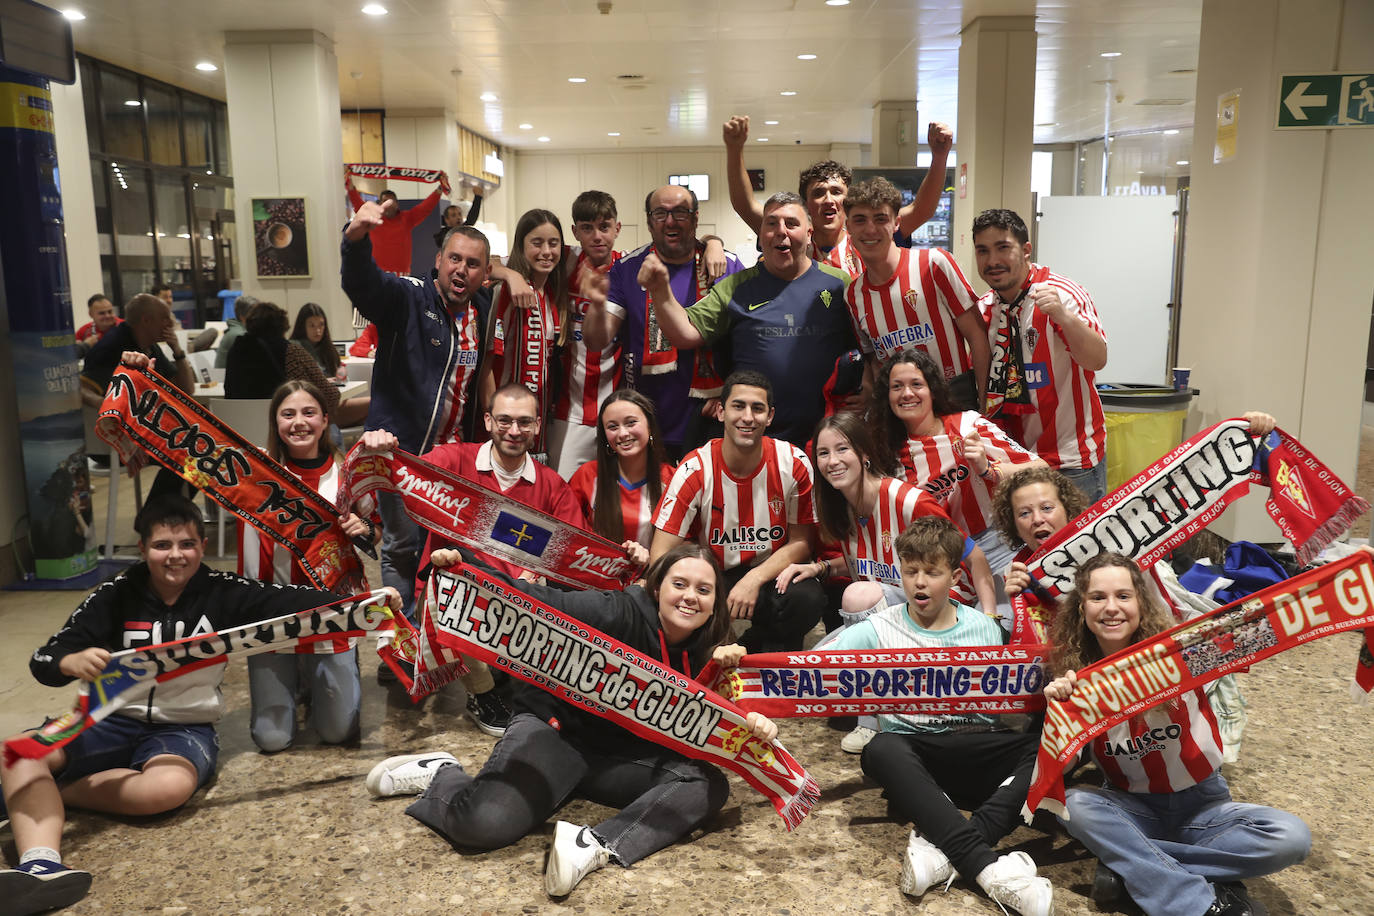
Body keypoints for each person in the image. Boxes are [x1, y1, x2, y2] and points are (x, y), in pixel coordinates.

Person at [0, 496, 396, 915]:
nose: (175, 556)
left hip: (183, 729)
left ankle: (58, 794)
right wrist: (70, 661)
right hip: (105, 719)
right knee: (16, 754)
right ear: (142, 548)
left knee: (166, 790)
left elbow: (294, 604)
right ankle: (40, 864)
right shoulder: (115, 594)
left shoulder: (223, 591)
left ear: (202, 547)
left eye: (186, 544)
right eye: (162, 545)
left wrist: (366, 605)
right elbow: (45, 658)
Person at [365, 542, 776, 900]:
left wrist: (755, 724)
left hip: (617, 758)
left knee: (707, 785)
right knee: (482, 827)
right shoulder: (620, 610)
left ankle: (594, 843)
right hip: (557, 731)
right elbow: (538, 601)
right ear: (657, 587)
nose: (690, 597)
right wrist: (467, 567)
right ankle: (442, 776)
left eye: (704, 590)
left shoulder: (715, 653)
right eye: (679, 584)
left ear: (715, 602)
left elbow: (727, 723)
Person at [785, 515, 1052, 915]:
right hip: (916, 758)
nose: (920, 582)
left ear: (953, 576)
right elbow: (806, 671)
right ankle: (987, 867)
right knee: (880, 749)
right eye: (911, 572)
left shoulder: (984, 628)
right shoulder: (875, 629)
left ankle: (949, 855)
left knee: (1055, 744)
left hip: (976, 747)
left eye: (932, 572)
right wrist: (744, 665)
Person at [1044, 553, 1310, 916]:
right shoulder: (1075, 680)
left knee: (1292, 838)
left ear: (1141, 601)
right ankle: (1196, 902)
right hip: (1134, 808)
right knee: (1073, 806)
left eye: (1123, 596)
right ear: (1081, 608)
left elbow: (1260, 629)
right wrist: (1059, 713)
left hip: (1204, 807)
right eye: (1097, 597)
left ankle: (1135, 866)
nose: (1111, 608)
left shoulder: (1187, 651)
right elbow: (1057, 772)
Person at [359, 383, 585, 735]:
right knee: (460, 588)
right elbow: (397, 478)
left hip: (522, 601)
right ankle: (484, 693)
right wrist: (381, 451)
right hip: (456, 598)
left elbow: (572, 557)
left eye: (525, 422)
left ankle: (509, 681)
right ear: (488, 421)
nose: (514, 431)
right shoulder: (452, 460)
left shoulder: (552, 485)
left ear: (538, 426)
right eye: (505, 420)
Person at [780, 411, 997, 753]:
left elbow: (975, 557)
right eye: (823, 453)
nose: (833, 461)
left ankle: (874, 719)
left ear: (864, 454)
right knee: (818, 666)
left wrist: (988, 620)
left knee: (857, 597)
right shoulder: (844, 507)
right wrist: (820, 568)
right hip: (897, 612)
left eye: (842, 449)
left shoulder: (907, 500)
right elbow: (875, 566)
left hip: (945, 614)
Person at [339, 202, 494, 634]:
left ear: (485, 273)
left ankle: (434, 637)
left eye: (473, 264)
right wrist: (355, 240)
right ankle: (403, 646)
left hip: (453, 461)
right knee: (402, 546)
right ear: (439, 262)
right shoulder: (408, 298)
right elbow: (364, 284)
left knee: (441, 549)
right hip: (402, 453)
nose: (462, 270)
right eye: (455, 259)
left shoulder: (482, 310)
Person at [643, 190, 858, 448]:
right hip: (753, 439)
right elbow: (685, 333)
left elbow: (866, 345)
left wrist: (867, 387)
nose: (781, 231)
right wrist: (661, 291)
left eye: (791, 223)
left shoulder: (839, 283)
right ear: (761, 235)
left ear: (809, 233)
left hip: (824, 438)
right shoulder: (737, 286)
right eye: (772, 223)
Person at [237, 381, 381, 752]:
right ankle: (300, 678)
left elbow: (374, 532)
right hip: (269, 615)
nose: (299, 422)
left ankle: (316, 675)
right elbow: (179, 439)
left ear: (325, 420)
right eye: (288, 414)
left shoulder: (347, 475)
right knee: (271, 739)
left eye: (308, 413)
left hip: (330, 614)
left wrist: (362, 529)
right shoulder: (250, 470)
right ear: (275, 422)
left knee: (337, 733)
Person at [651, 370, 826, 653]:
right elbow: (660, 554)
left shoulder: (794, 463)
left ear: (770, 417)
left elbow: (802, 543)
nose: (747, 417)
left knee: (807, 598)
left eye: (757, 409)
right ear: (720, 411)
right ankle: (702, 651)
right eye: (738, 406)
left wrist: (753, 579)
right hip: (713, 575)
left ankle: (762, 653)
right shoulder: (694, 469)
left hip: (769, 574)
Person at [581, 185, 741, 458]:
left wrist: (731, 393)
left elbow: (744, 342)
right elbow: (597, 339)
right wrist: (596, 305)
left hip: (713, 420)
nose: (670, 221)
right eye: (660, 213)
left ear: (695, 218)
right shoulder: (628, 269)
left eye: (680, 212)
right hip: (648, 421)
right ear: (648, 221)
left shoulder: (726, 265)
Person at [973, 208, 1109, 501]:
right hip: (1014, 463)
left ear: (1025, 250)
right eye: (982, 251)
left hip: (1072, 462)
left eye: (1003, 248)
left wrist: (1063, 316)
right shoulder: (984, 311)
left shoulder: (1063, 294)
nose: (992, 261)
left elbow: (1097, 359)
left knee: (1081, 546)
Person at [722, 115, 954, 278]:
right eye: (818, 193)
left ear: (849, 199)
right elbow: (745, 205)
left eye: (836, 192)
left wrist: (940, 156)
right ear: (806, 204)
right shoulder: (793, 239)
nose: (828, 200)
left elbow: (921, 210)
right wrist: (734, 150)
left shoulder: (866, 235)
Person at [874, 349, 1043, 572]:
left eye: (916, 384)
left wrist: (990, 470)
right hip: (942, 560)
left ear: (932, 390)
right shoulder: (887, 454)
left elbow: (1040, 468)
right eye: (897, 387)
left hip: (1001, 545)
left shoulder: (968, 426)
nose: (907, 393)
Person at [844, 177, 989, 410]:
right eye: (860, 220)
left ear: (896, 223)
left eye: (880, 218)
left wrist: (985, 406)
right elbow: (873, 359)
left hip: (955, 398)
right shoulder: (853, 295)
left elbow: (977, 336)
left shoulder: (934, 263)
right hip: (901, 409)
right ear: (848, 226)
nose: (870, 229)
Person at [479, 209, 572, 460]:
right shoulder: (507, 292)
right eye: (536, 243)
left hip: (538, 429)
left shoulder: (554, 295)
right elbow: (488, 365)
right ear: (521, 245)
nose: (546, 252)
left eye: (553, 243)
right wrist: (494, 426)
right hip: (506, 430)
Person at [547, 190, 624, 477]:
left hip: (616, 410)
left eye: (604, 227)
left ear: (617, 228)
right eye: (587, 228)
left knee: (613, 502)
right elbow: (508, 259)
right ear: (575, 231)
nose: (597, 236)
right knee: (562, 497)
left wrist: (713, 243)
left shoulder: (628, 266)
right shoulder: (565, 260)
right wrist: (511, 275)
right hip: (569, 413)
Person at [224, 302, 369, 428]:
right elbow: (331, 397)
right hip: (285, 429)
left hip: (239, 430)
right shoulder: (291, 351)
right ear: (282, 325)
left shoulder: (235, 350)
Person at [568, 390, 672, 552]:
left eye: (631, 423)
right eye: (612, 427)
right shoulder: (587, 475)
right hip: (594, 573)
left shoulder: (673, 479)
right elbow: (566, 531)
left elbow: (685, 544)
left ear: (649, 426)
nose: (623, 433)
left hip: (652, 574)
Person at [80, 293, 193, 411]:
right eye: (165, 318)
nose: (171, 324)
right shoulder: (111, 346)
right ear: (146, 320)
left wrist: (177, 351)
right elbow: (81, 390)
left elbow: (186, 390)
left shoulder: (150, 345)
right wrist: (112, 411)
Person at [346, 177, 444, 275]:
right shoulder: (372, 217)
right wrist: (349, 183)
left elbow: (425, 208)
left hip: (401, 277)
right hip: (376, 276)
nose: (388, 204)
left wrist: (439, 190)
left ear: (397, 204)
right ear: (380, 203)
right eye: (384, 201)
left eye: (391, 201)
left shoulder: (407, 218)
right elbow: (357, 203)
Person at [290, 302, 344, 379]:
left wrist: (341, 373)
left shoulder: (328, 347)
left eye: (321, 325)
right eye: (312, 326)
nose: (318, 330)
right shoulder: (295, 349)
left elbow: (340, 372)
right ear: (302, 326)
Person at [430, 183, 483, 250]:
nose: (458, 217)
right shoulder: (444, 236)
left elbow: (471, 220)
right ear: (447, 220)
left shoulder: (463, 230)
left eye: (459, 214)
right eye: (453, 215)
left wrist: (478, 197)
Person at [215, 294, 257, 369]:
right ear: (243, 317)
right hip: (224, 379)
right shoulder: (239, 335)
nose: (260, 317)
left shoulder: (239, 330)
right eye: (255, 314)